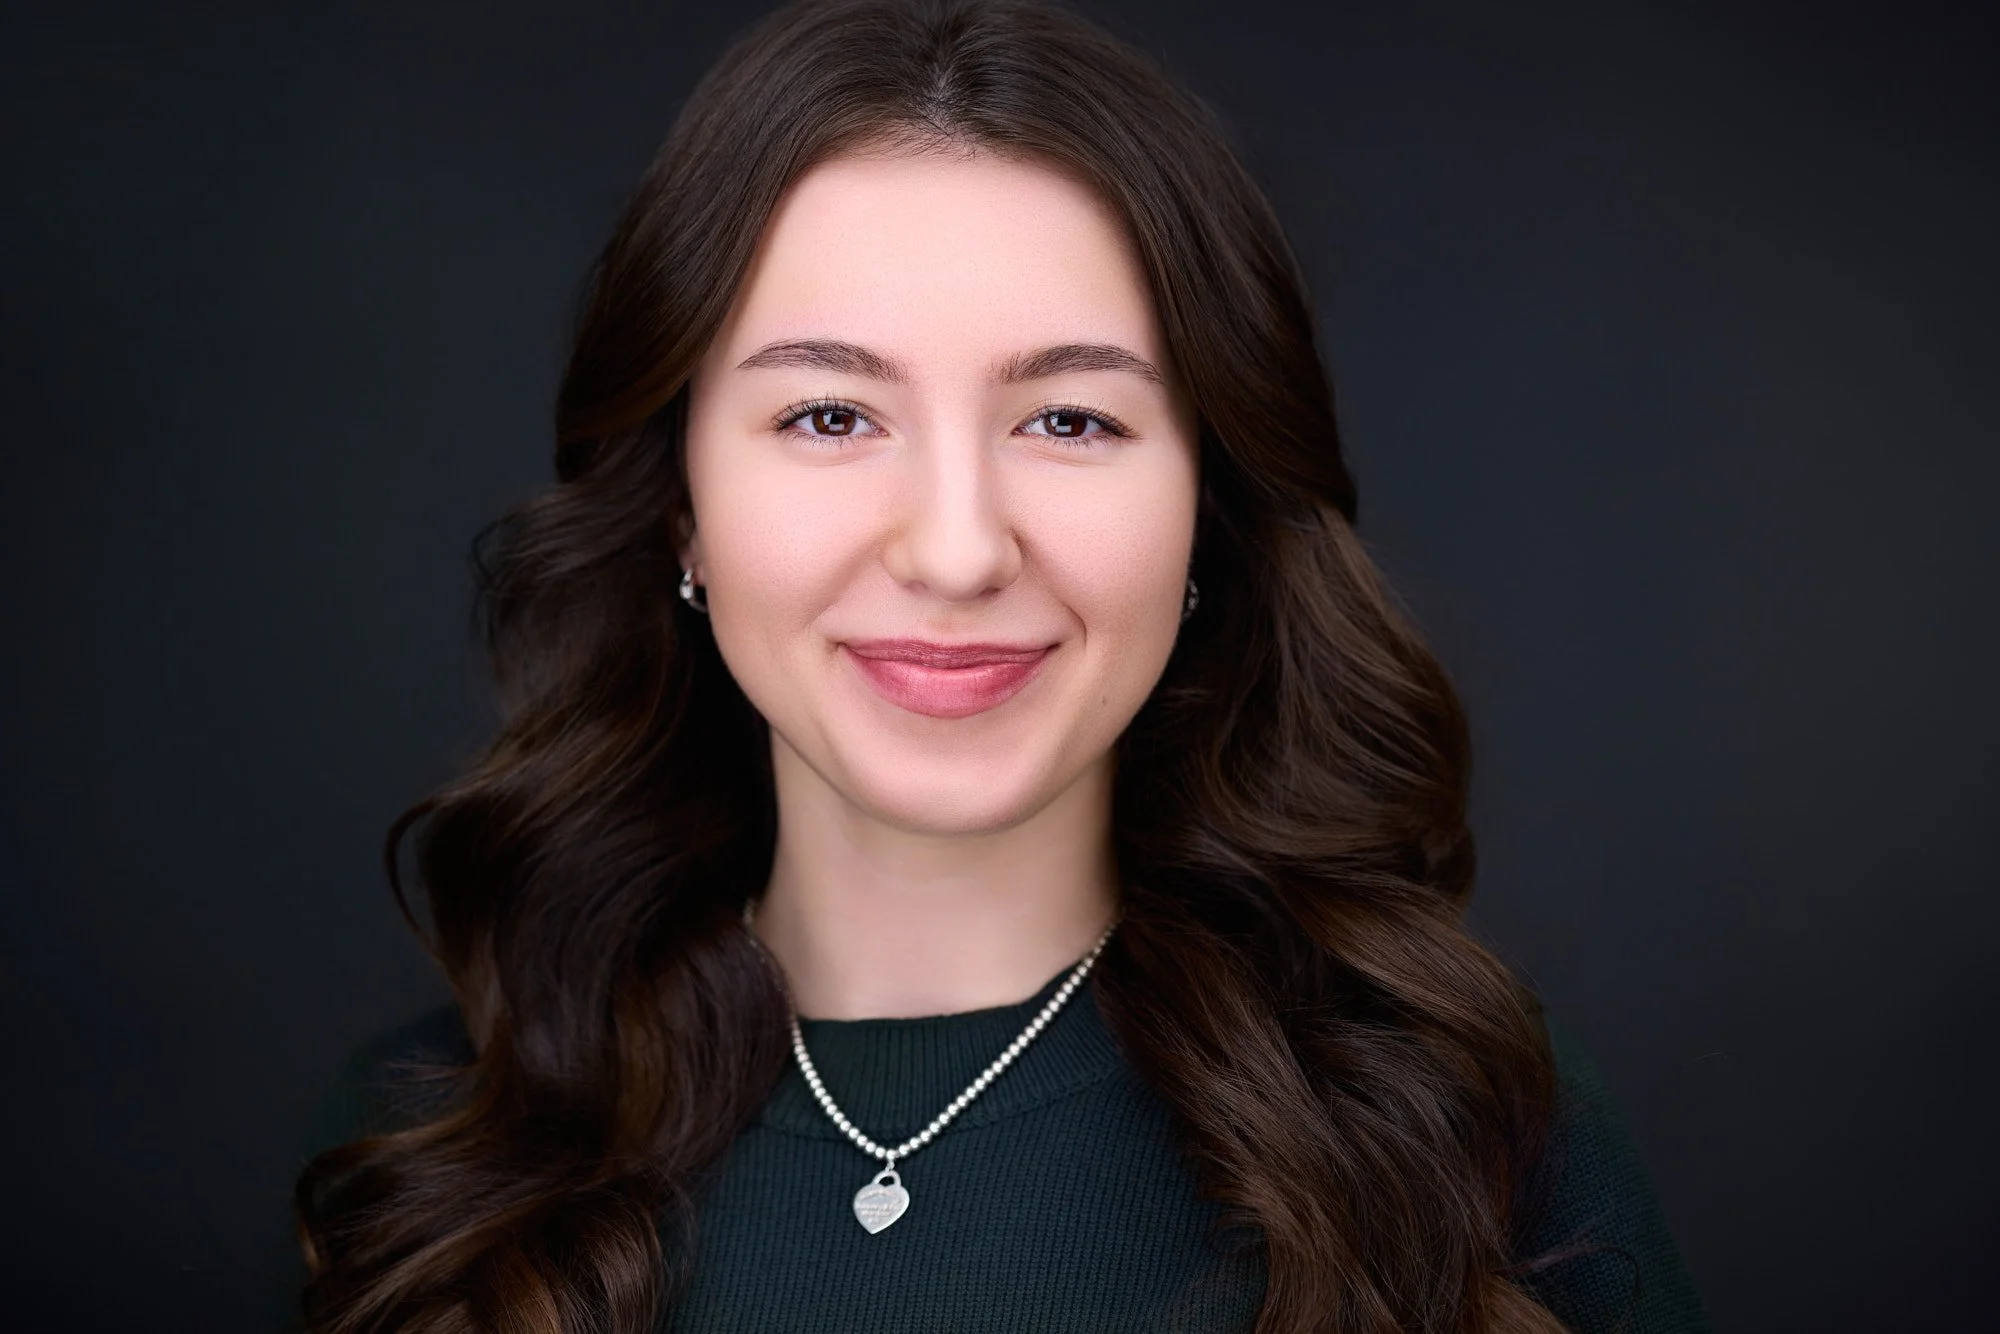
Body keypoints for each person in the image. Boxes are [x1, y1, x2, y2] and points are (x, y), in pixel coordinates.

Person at [289, 0, 1710, 1330]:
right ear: (682, 510)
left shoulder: (1473, 1134)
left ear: (1206, 503)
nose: (959, 551)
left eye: (1073, 422)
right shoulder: (438, 1141)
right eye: (833, 415)